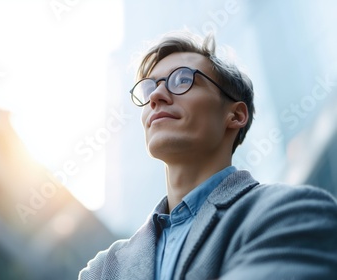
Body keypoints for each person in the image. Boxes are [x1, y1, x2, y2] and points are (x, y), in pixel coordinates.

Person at [78, 31, 337, 280]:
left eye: (182, 80)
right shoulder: (102, 268)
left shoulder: (290, 212)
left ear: (235, 115)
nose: (156, 96)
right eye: (148, 90)